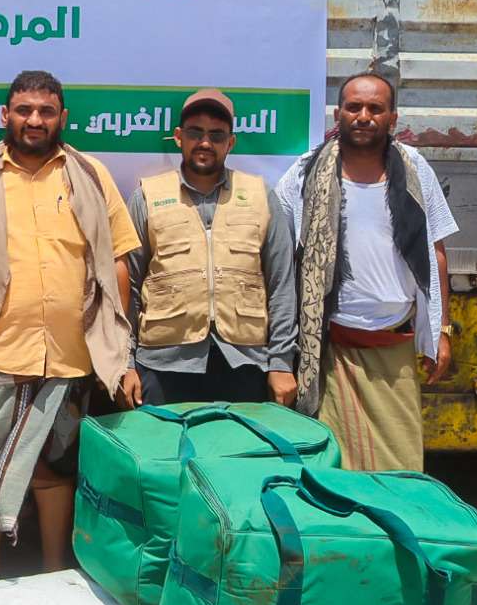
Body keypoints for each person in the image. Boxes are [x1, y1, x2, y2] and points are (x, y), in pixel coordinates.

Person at [0, 70, 140, 577]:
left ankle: (55, 570)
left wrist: (120, 353)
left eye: (46, 111)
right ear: (5, 115)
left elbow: (118, 263)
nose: (35, 120)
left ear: (63, 117)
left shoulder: (90, 176)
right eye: (24, 110)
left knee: (56, 472)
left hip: (72, 357)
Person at [277, 71, 457, 471]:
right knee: (333, 467)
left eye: (375, 108)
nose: (363, 116)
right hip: (329, 350)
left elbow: (436, 252)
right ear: (337, 114)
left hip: (393, 348)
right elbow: (280, 257)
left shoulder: (415, 169)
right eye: (354, 107)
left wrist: (441, 330)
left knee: (400, 466)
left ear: (392, 118)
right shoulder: (304, 173)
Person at [123, 89, 298, 406]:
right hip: (162, 366)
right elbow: (128, 285)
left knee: (239, 441)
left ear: (231, 142)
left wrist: (281, 363)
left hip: (245, 364)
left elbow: (282, 285)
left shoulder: (260, 196)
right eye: (195, 133)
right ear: (179, 137)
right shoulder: (147, 197)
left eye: (216, 135)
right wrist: (126, 362)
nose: (205, 143)